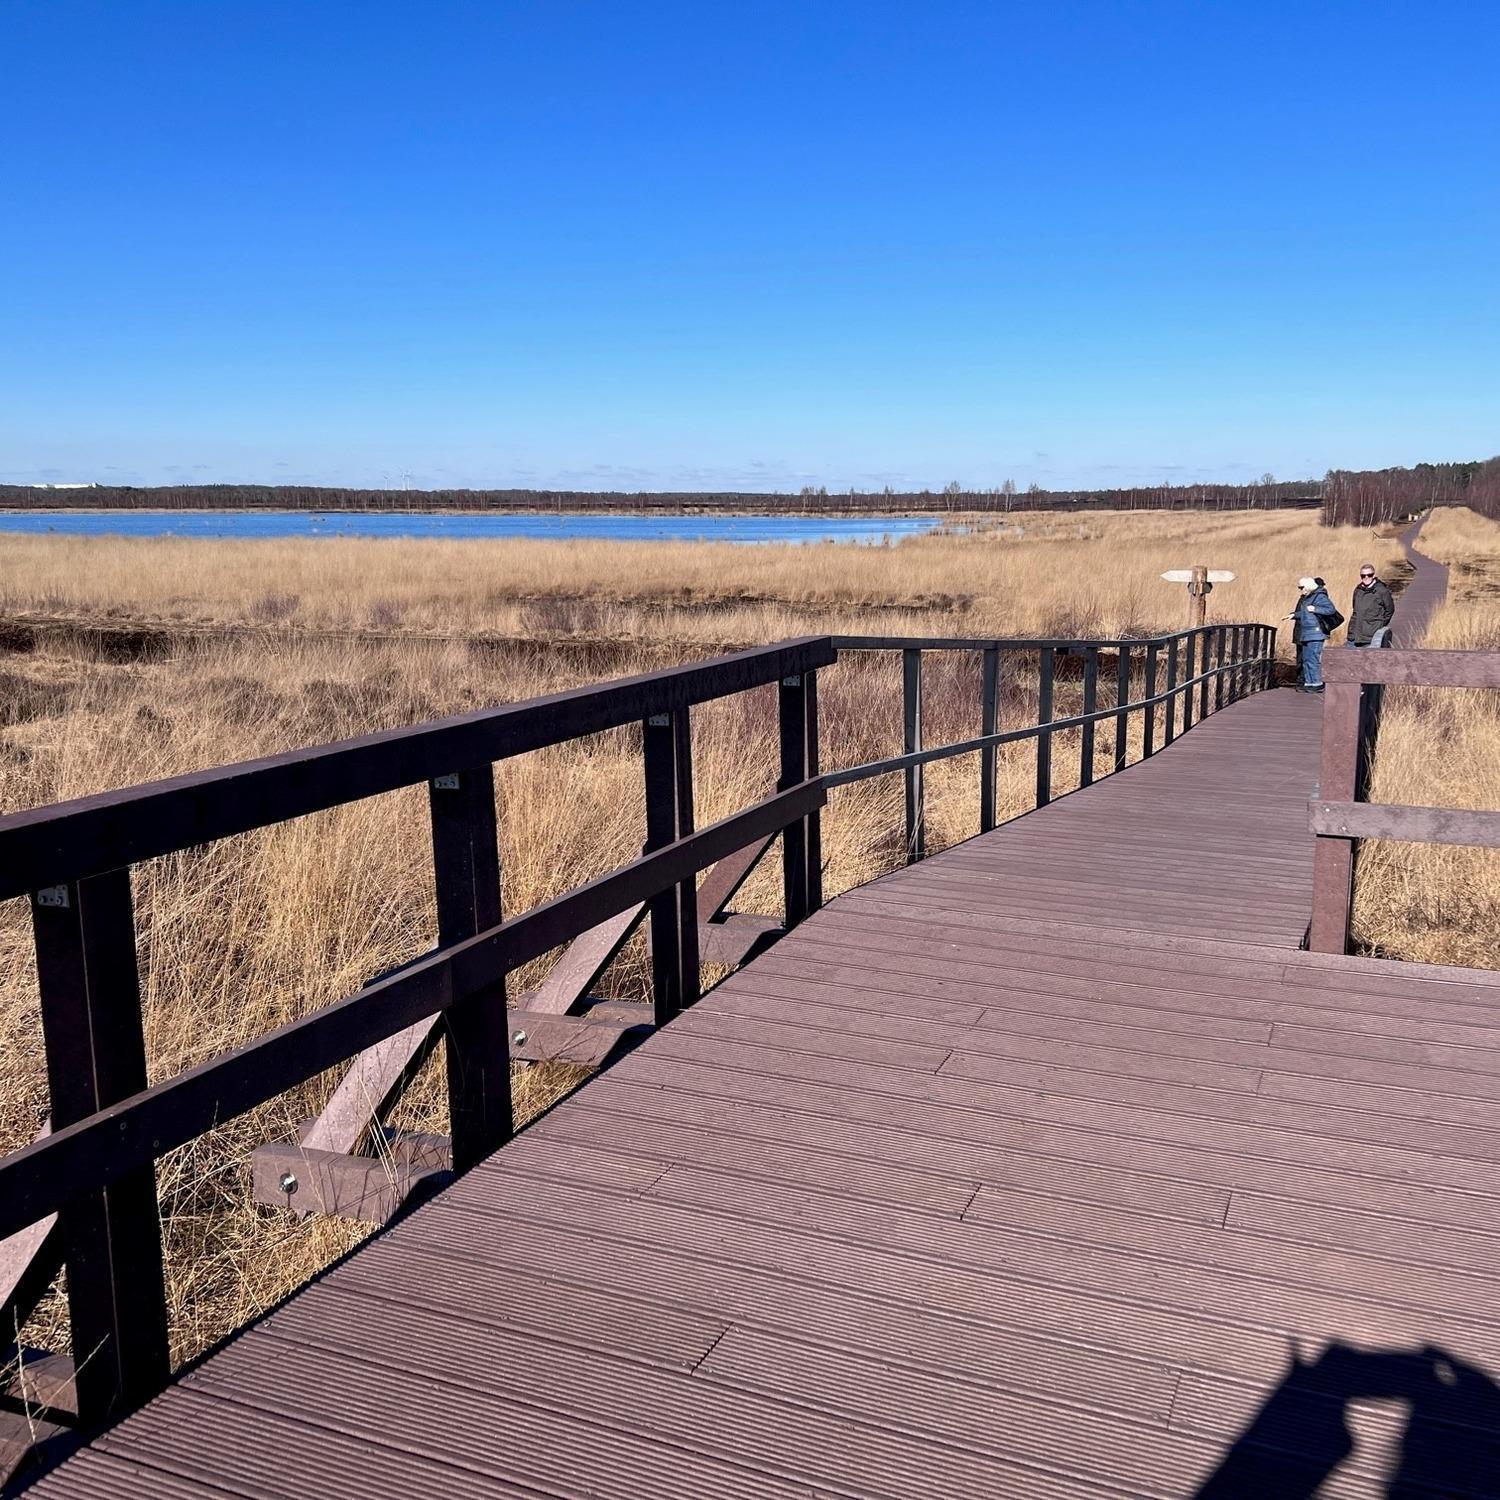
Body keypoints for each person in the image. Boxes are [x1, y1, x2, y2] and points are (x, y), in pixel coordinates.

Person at [1287, 576, 1338, 692]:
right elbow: (1305, 612)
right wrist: (1294, 615)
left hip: (1315, 632)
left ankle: (1317, 683)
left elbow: (1331, 610)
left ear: (1308, 586)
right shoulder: (1308, 598)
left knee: (1313, 659)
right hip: (1306, 633)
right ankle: (1309, 683)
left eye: (1302, 587)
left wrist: (1315, 609)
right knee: (1306, 659)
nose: (1300, 590)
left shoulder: (1320, 596)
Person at [1349, 562, 1395, 646]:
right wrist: (1351, 631)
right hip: (1354, 635)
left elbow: (1390, 611)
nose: (1366, 577)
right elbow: (1355, 610)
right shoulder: (1358, 590)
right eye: (1363, 575)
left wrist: (1378, 624)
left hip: (1371, 637)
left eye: (1369, 575)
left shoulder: (1382, 591)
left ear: (1373, 575)